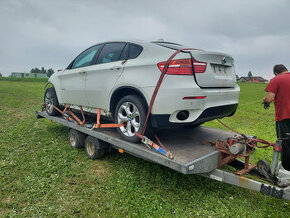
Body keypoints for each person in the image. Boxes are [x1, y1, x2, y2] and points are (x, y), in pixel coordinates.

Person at [263, 64, 290, 171]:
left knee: (286, 144)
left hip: (284, 117)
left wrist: (264, 100)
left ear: (276, 73)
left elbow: (269, 98)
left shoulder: (277, 79)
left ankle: (286, 170)